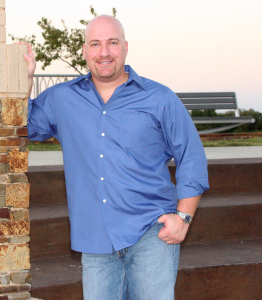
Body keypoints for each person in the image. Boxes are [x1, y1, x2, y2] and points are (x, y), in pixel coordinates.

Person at [21, 15, 209, 300]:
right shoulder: (62, 98)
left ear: (125, 47)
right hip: (94, 239)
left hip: (152, 233)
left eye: (112, 43)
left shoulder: (159, 98)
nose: (104, 52)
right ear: (84, 51)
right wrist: (25, 78)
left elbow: (191, 156)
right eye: (95, 44)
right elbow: (23, 126)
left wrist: (183, 216)